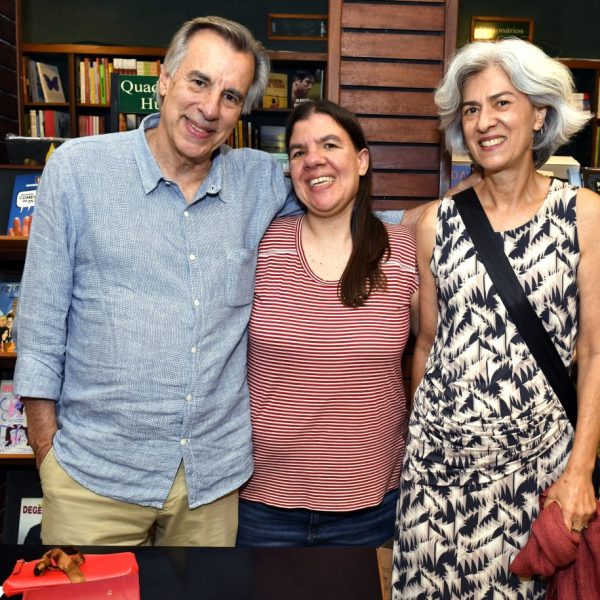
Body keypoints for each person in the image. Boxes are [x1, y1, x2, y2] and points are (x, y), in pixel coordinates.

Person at [13, 15, 303, 548]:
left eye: (231, 96)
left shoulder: (259, 180)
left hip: (210, 484)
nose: (210, 109)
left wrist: (477, 200)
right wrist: (47, 453)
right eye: (199, 81)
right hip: (92, 479)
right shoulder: (78, 170)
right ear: (164, 78)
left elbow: (343, 199)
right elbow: (39, 321)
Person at [392, 38, 600, 598]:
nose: (485, 121)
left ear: (539, 114)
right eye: (472, 108)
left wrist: (579, 472)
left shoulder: (585, 215)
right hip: (437, 478)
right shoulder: (435, 224)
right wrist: (420, 443)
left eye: (502, 103)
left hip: (534, 479)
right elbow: (427, 344)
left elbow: (594, 354)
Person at [236, 100, 419, 547]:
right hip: (263, 503)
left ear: (361, 160)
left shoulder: (404, 252)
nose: (312, 159)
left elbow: (437, 352)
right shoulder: (260, 245)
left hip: (370, 503)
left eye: (329, 144)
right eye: (298, 152)